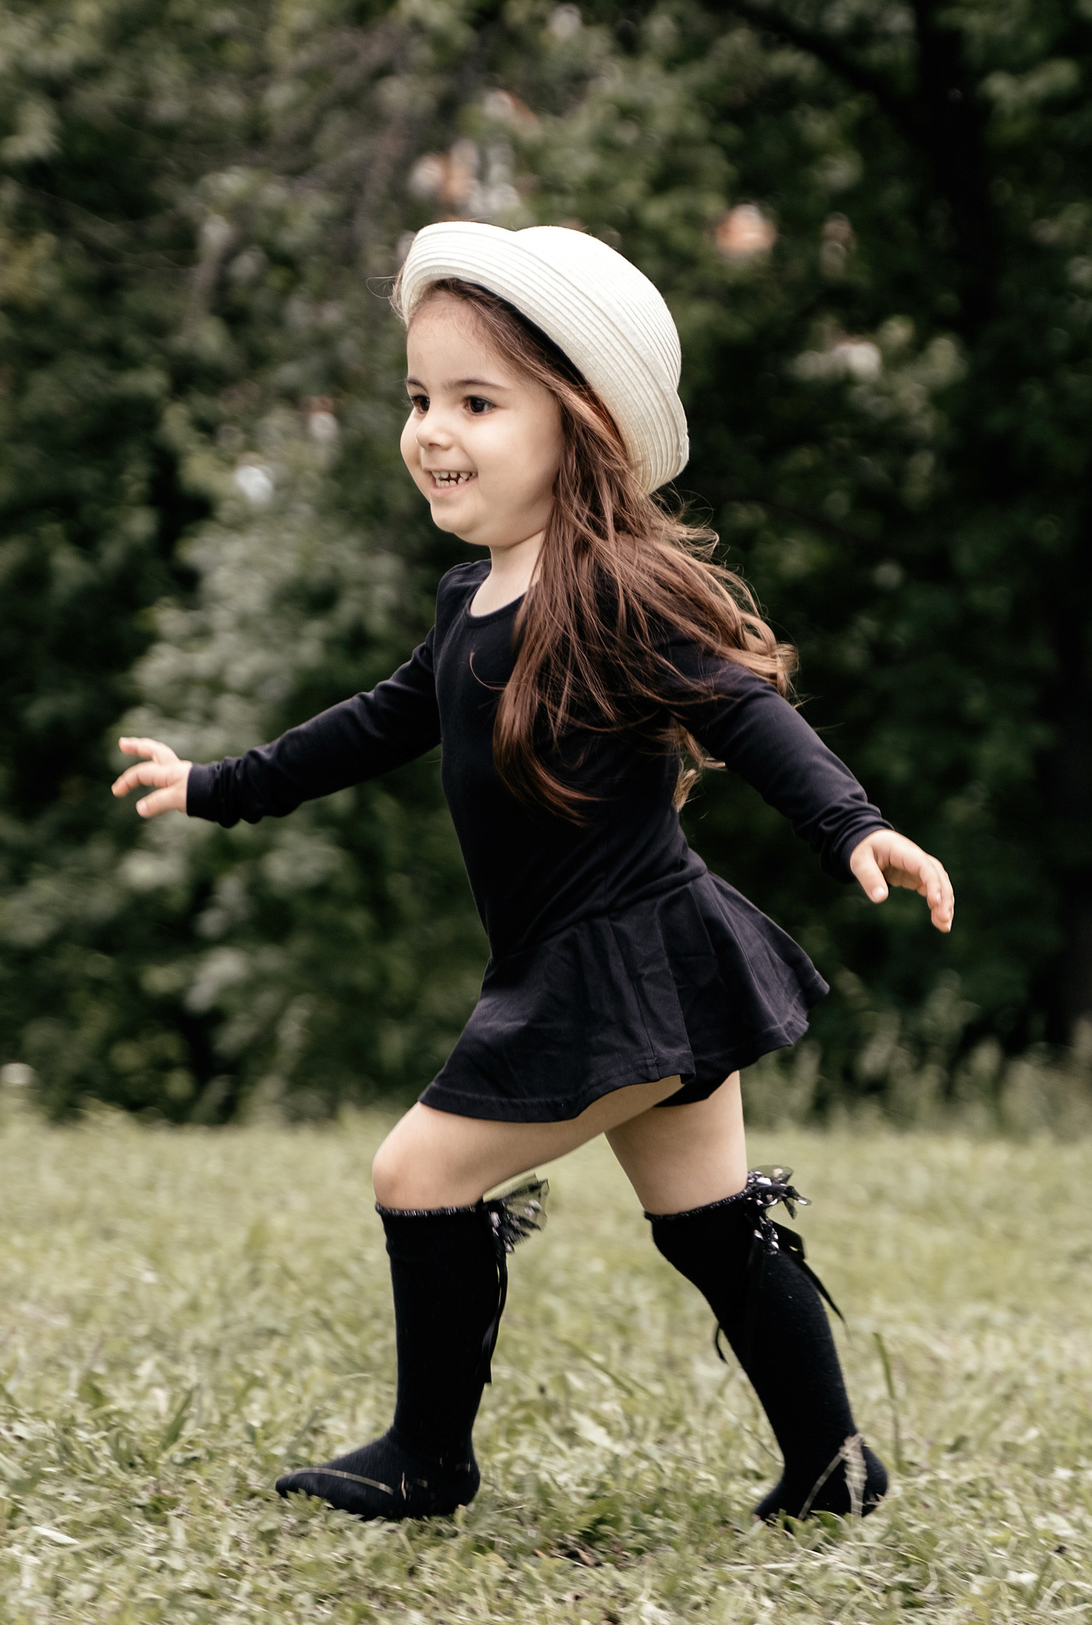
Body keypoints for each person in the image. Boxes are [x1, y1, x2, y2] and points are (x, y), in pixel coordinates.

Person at [112, 221, 955, 1524]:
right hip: (643, 964)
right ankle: (835, 1470)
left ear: (580, 425)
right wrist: (220, 785)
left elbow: (739, 708)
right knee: (715, 1225)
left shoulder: (613, 587)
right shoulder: (474, 599)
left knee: (417, 1174)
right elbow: (384, 719)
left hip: (617, 964)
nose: (432, 430)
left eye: (476, 402)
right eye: (418, 399)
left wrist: (854, 826)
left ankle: (429, 1462)